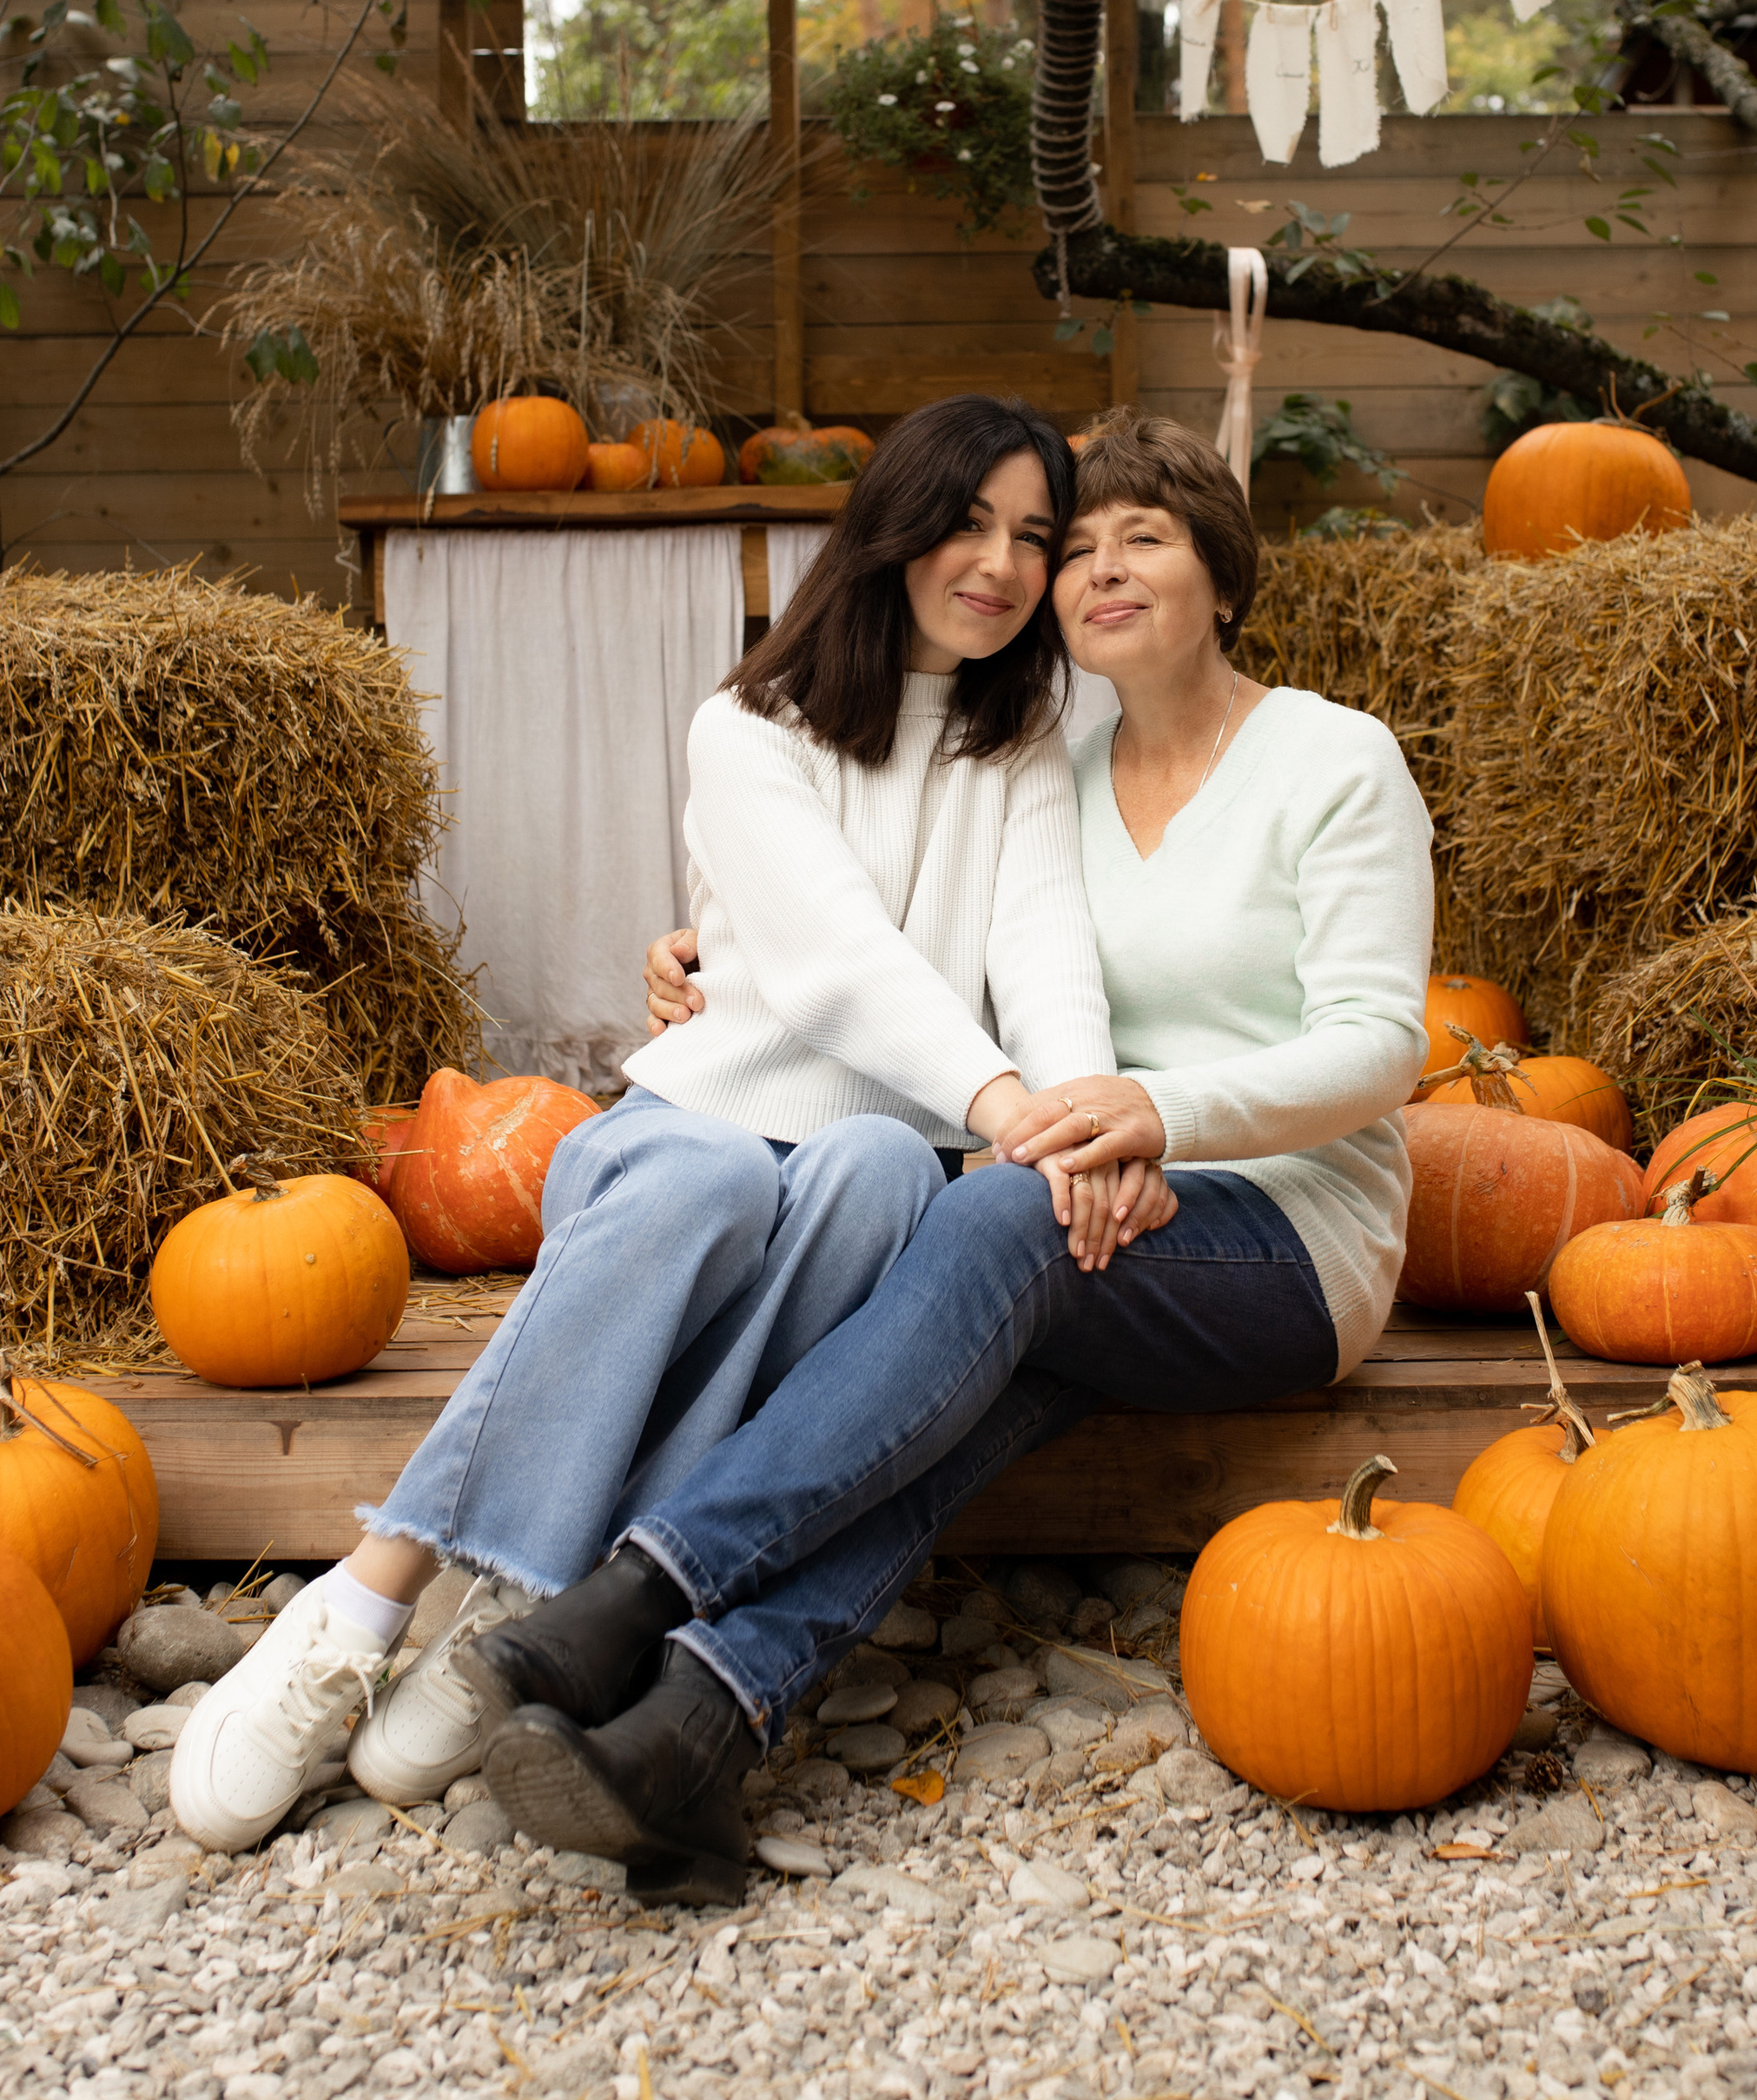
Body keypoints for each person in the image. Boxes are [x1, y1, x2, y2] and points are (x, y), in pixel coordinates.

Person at [453, 408, 1435, 1901]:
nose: (1096, 571)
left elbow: (1381, 1047)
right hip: (1089, 1206)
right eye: (1073, 549)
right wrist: (704, 953)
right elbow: (918, 941)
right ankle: (695, 1733)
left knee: (972, 1238)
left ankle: (635, 1590)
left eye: (1141, 540)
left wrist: (1158, 1119)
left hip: (1284, 1233)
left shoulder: (1333, 761)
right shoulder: (1043, 751)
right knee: (950, 1419)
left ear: (1223, 575)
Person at [172, 393, 1159, 1855]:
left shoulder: (1018, 748)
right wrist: (1005, 1099)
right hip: (698, 1126)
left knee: (890, 1167)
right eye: (968, 522)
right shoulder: (750, 726)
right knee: (704, 1182)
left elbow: (1049, 950)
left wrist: (1076, 1123)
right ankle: (371, 1593)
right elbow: (832, 959)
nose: (1000, 564)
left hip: (865, 1146)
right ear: (894, 522)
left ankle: (518, 1612)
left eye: (1030, 536)